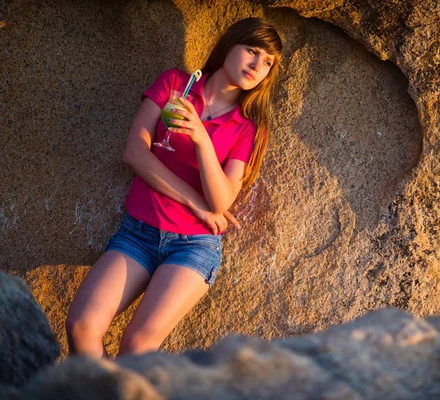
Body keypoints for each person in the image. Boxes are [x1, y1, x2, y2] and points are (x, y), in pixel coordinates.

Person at [65, 17, 283, 358]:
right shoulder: (176, 85)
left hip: (193, 247)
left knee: (137, 347)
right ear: (229, 47)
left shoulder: (247, 127)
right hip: (138, 234)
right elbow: (135, 152)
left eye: (267, 62)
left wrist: (201, 139)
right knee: (82, 325)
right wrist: (196, 203)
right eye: (251, 51)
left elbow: (222, 199)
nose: (257, 65)